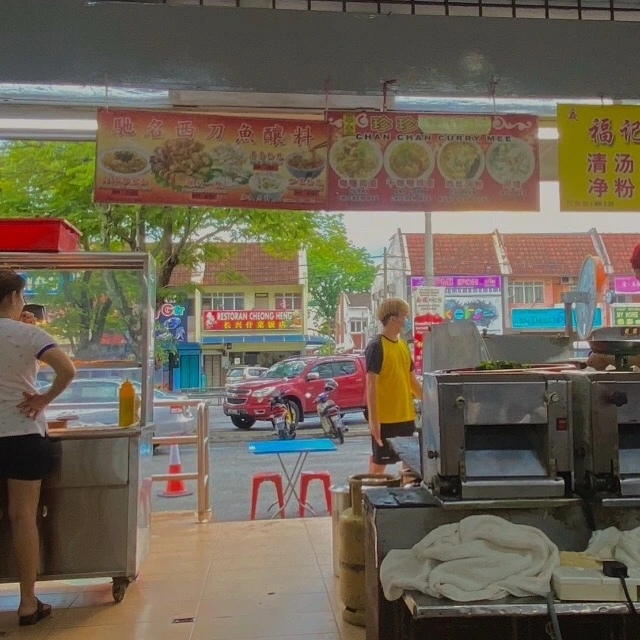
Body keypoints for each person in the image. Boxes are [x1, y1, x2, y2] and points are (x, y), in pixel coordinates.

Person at [0, 269, 75, 626]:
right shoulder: (29, 334)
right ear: (14, 298)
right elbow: (67, 370)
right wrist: (43, 399)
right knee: (22, 518)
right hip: (23, 435)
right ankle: (28, 603)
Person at [365, 298, 422, 474]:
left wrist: (432, 401)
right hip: (385, 419)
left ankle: (406, 492)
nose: (407, 320)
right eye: (404, 316)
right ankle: (367, 491)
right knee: (379, 464)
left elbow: (412, 381)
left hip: (406, 416)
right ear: (393, 319)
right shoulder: (376, 346)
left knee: (409, 467)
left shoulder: (403, 345)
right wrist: (374, 421)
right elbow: (371, 385)